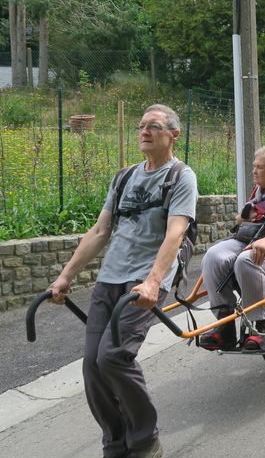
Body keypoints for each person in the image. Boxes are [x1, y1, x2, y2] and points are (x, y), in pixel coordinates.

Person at [48, 104, 198, 458]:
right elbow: (100, 231)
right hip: (110, 279)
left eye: (154, 126)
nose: (144, 131)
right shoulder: (124, 177)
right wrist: (65, 276)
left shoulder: (180, 176)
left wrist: (152, 281)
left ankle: (146, 440)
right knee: (91, 364)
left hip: (143, 283)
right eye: (142, 126)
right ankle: (115, 443)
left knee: (113, 357)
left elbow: (175, 234)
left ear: (173, 135)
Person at [200, 145, 265, 351]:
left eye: (259, 167)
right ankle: (224, 326)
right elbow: (246, 217)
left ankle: (263, 328)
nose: (254, 171)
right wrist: (243, 217)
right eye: (254, 166)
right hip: (252, 237)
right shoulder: (260, 190)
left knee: (247, 260)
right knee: (212, 256)